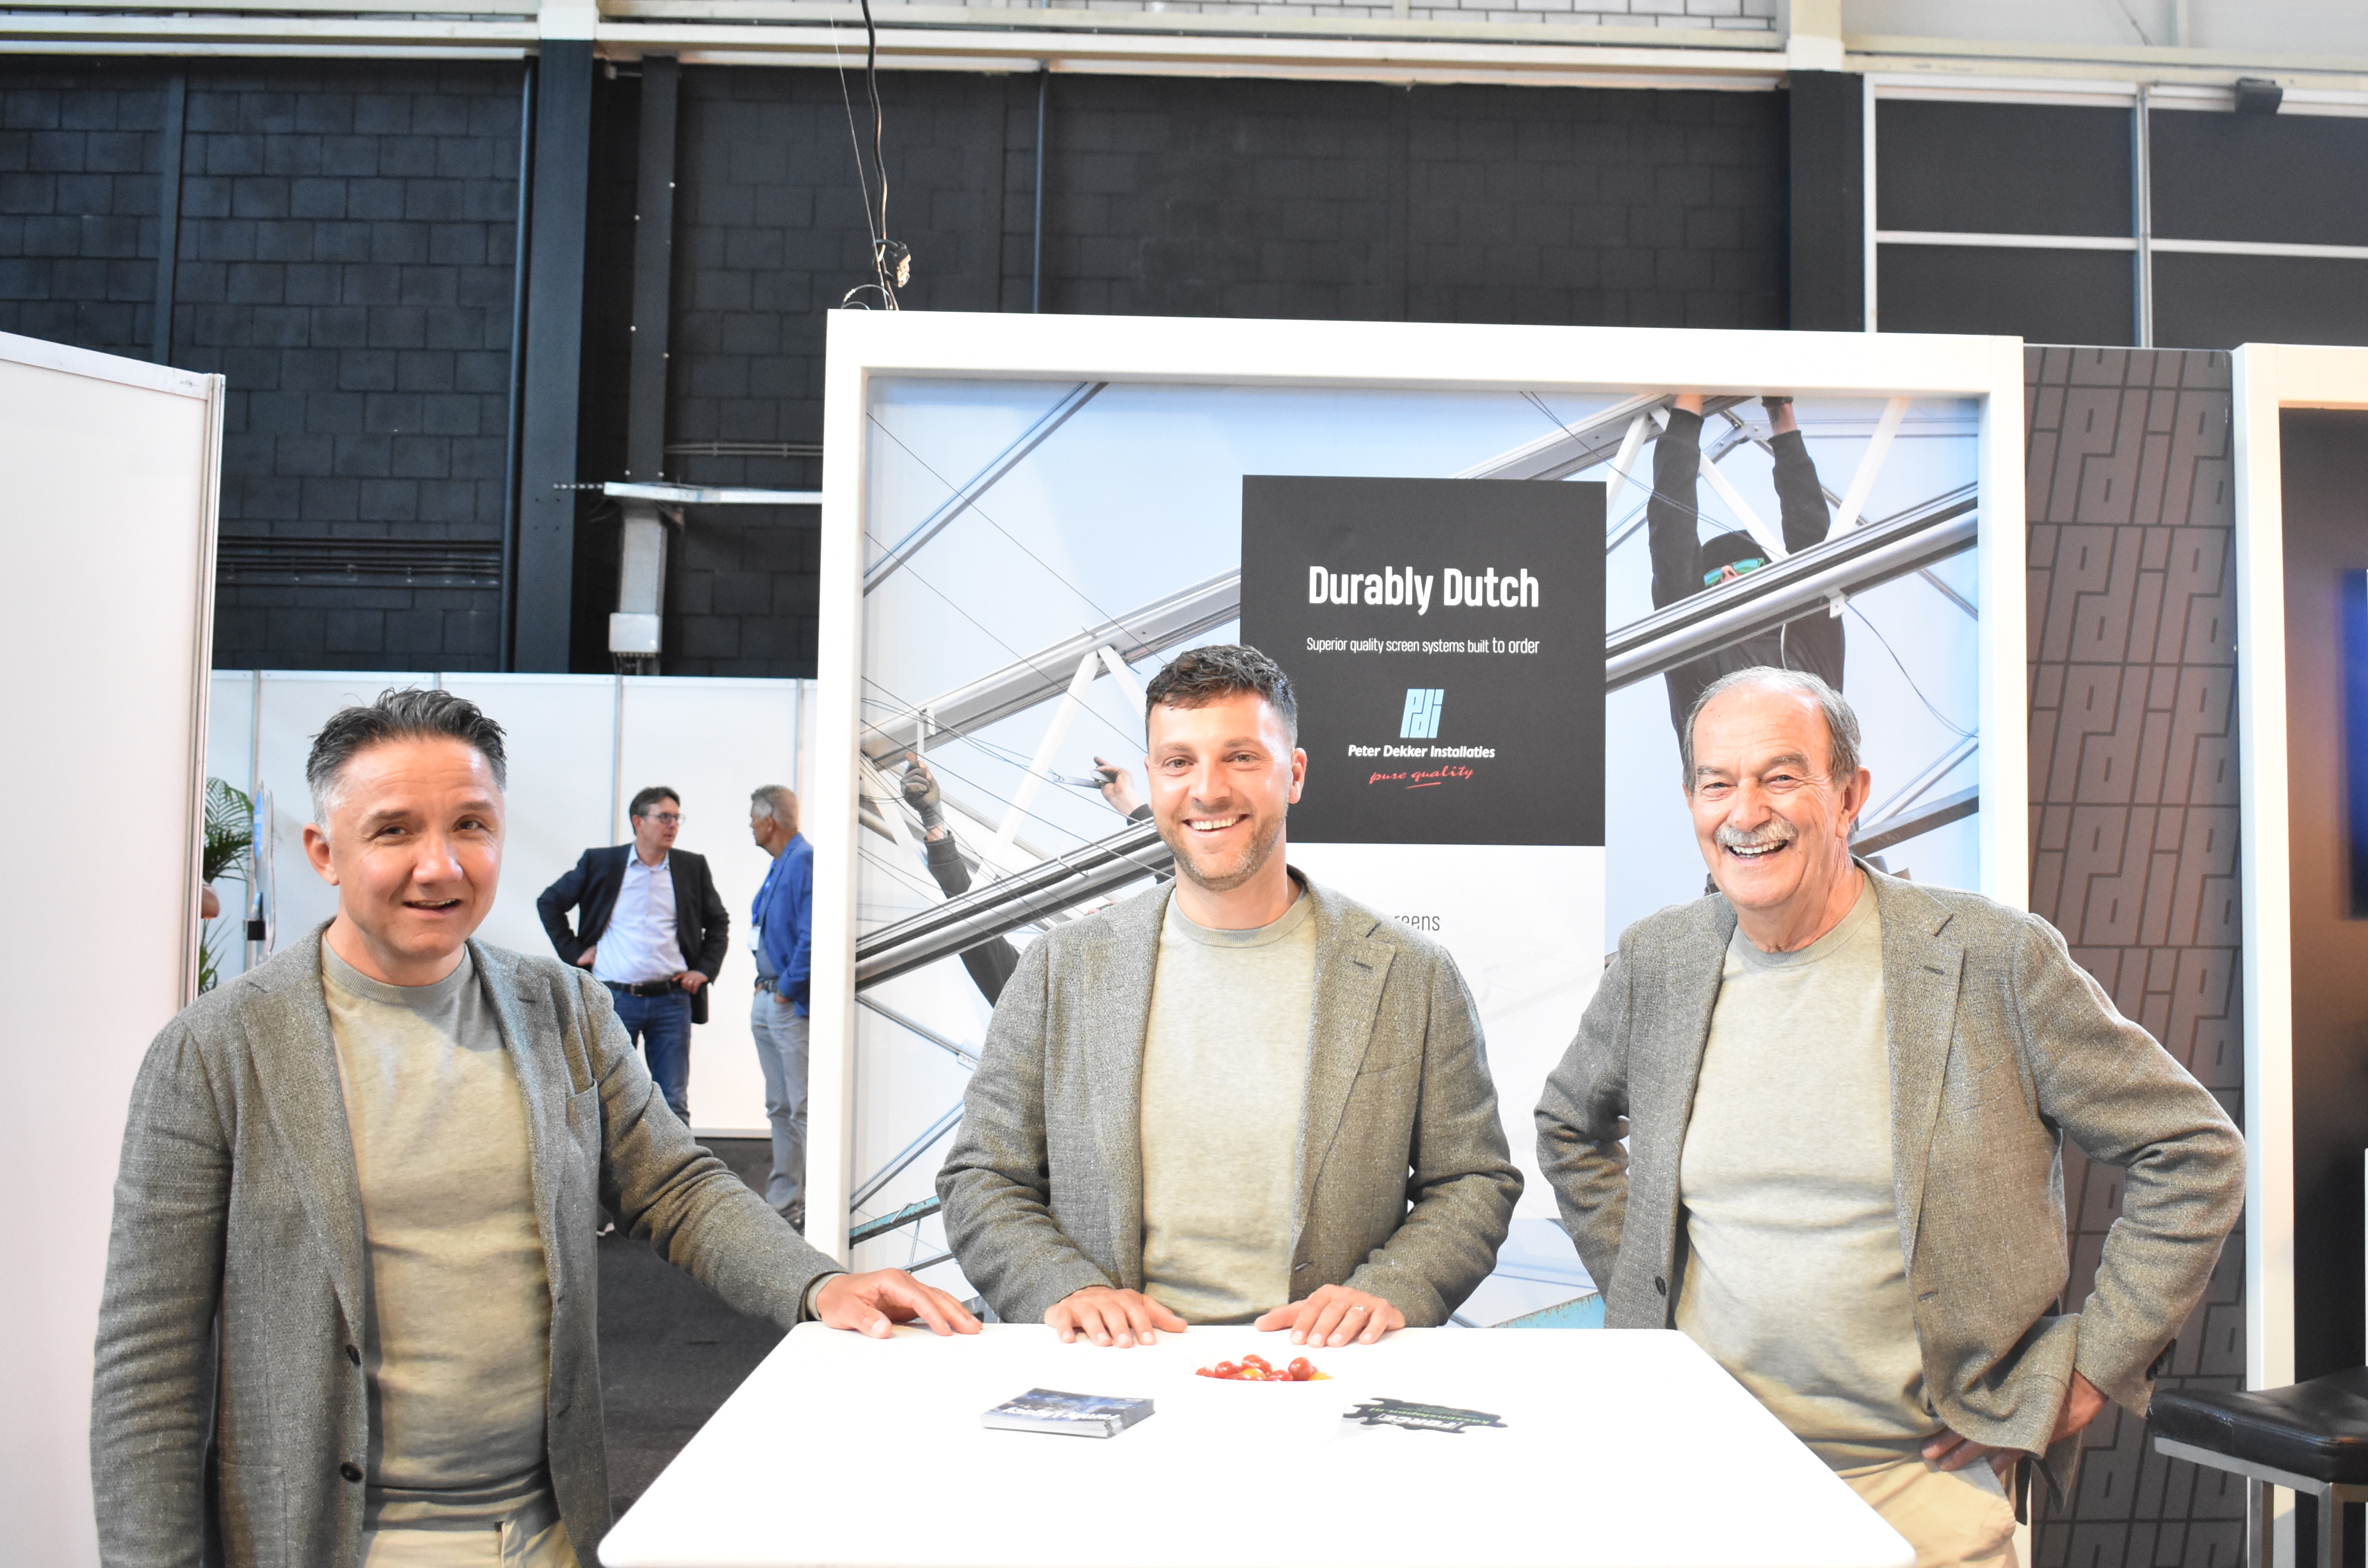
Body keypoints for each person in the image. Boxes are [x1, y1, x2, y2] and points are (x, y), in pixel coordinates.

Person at [92, 689, 976, 1568]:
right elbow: (149, 1360)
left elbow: (676, 1187)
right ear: (325, 851)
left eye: (470, 826)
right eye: (395, 831)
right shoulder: (217, 1051)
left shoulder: (559, 1009)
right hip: (333, 1543)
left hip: (548, 1532)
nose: (440, 866)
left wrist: (818, 1285)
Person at [1537, 668, 2243, 1568]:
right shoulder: (1659, 959)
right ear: (1691, 804)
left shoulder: (1992, 958)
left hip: (1919, 1484)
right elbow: (1569, 1126)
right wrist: (1647, 1285)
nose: (1745, 813)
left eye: (1781, 776)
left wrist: (2091, 1368)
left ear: (1849, 795)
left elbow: (2193, 1152)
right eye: (1717, 783)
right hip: (1701, 1472)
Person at [937, 644, 1521, 1349]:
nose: (1207, 790)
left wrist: (1392, 1288)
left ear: (1294, 774)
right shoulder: (1060, 969)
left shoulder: (1411, 974)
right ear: (1152, 778)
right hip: (1111, 1369)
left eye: (1241, 757)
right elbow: (983, 1176)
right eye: (1178, 762)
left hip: (1322, 1369)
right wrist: (1067, 1289)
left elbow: (1471, 1180)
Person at [1649, 393, 1847, 737]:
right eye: (1713, 574)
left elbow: (1809, 536)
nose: (1727, 572)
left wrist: (1781, 414)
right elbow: (1671, 540)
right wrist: (1689, 405)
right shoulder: (1697, 657)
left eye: (1745, 565)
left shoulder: (1805, 640)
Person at [892, 752, 1151, 1005]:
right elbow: (975, 933)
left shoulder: (1150, 1000)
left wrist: (1134, 807)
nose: (1092, 911)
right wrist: (933, 821)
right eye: (1097, 912)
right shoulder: (1041, 1001)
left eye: (1105, 915)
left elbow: (1173, 877)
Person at [534, 785, 728, 1123]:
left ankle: (676, 1161)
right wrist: (575, 952)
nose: (672, 825)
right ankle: (612, 1162)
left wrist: (704, 969)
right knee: (610, 1097)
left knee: (673, 1099)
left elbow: (718, 923)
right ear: (639, 822)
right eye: (664, 817)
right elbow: (549, 902)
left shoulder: (690, 867)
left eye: (676, 818)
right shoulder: (602, 863)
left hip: (672, 1001)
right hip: (615, 999)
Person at [748, 783, 813, 1227]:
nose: (750, 827)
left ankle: (813, 1204)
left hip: (787, 1002)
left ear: (769, 822)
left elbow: (812, 934)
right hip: (768, 996)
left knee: (801, 1106)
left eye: (753, 820)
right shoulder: (781, 864)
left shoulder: (804, 861)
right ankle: (784, 1204)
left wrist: (787, 988)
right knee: (779, 1106)